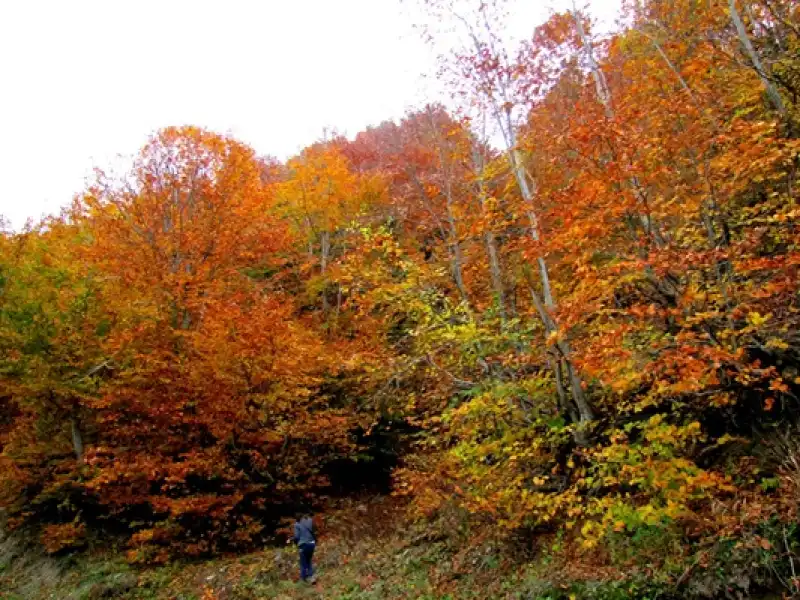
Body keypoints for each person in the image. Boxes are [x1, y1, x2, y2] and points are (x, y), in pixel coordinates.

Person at [292, 512, 316, 582]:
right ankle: (312, 577)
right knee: (309, 560)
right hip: (312, 543)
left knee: (303, 563)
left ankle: (303, 579)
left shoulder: (297, 524)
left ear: (296, 518)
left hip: (303, 544)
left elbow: (297, 536)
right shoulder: (309, 521)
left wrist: (294, 541)